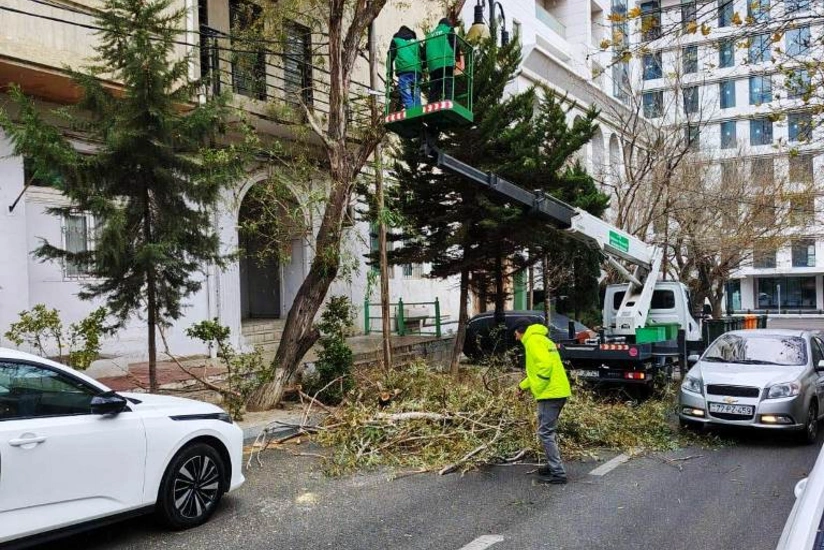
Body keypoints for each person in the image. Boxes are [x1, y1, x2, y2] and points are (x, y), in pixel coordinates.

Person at [514, 319, 571, 484]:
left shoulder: (532, 341)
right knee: (548, 431)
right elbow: (537, 371)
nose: (516, 338)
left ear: (520, 331)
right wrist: (521, 386)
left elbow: (544, 367)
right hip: (558, 390)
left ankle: (558, 473)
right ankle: (552, 465)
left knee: (545, 433)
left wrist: (539, 387)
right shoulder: (542, 339)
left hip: (549, 393)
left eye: (515, 334)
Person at [425, 18, 459, 102]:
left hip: (433, 65)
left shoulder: (429, 36)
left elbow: (424, 52)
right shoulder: (449, 29)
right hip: (446, 62)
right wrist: (457, 55)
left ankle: (432, 104)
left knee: (434, 87)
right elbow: (456, 44)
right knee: (448, 84)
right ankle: (448, 102)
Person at [389, 26, 423, 109]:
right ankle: (418, 112)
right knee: (416, 94)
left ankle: (412, 113)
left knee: (406, 93)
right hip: (416, 71)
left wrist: (389, 76)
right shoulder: (416, 42)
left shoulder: (396, 41)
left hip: (404, 70)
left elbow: (389, 58)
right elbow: (423, 55)